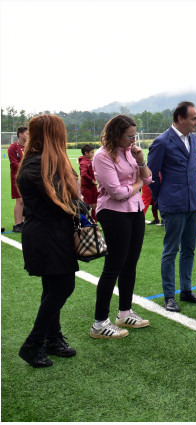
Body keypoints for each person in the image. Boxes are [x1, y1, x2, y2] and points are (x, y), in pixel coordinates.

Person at [16, 114, 79, 367]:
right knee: (63, 288)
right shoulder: (36, 163)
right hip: (45, 235)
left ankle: (52, 338)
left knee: (52, 288)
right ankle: (34, 343)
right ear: (53, 135)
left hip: (54, 233)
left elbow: (70, 193)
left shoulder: (44, 161)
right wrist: (80, 204)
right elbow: (65, 198)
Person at [90, 115, 153, 338]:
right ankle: (99, 323)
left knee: (130, 263)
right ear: (116, 134)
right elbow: (116, 192)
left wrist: (141, 160)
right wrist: (138, 184)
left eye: (134, 136)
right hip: (114, 213)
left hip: (135, 211)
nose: (133, 140)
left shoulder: (130, 152)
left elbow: (149, 177)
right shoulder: (102, 156)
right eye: (129, 136)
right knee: (114, 265)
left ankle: (124, 312)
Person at [147, 101, 196, 312]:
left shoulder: (195, 139)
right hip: (173, 204)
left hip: (193, 203)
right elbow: (150, 175)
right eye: (193, 118)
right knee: (171, 251)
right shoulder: (161, 142)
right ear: (180, 118)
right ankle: (169, 296)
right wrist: (161, 198)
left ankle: (186, 290)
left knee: (189, 249)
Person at [9, 126, 28, 232]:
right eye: (27, 133)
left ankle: (23, 222)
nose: (29, 135)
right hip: (17, 178)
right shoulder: (13, 147)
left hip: (27, 177)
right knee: (19, 200)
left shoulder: (28, 147)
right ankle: (17, 224)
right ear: (20, 135)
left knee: (26, 200)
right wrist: (26, 167)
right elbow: (14, 163)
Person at [78, 144, 99, 221]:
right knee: (88, 206)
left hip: (92, 187)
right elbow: (83, 174)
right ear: (86, 153)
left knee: (94, 205)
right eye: (92, 152)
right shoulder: (84, 162)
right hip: (87, 188)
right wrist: (91, 180)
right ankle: (87, 224)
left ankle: (94, 222)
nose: (93, 154)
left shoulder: (89, 161)